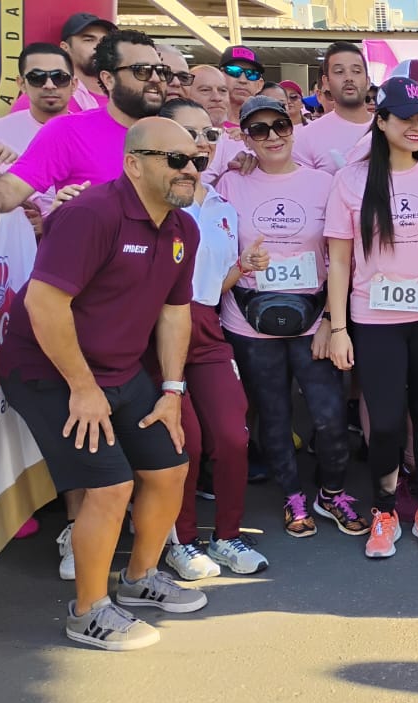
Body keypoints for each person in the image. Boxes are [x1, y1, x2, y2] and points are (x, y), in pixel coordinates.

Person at [0, 117, 210, 651]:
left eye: (197, 161)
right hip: (48, 371)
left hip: (120, 373)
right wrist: (82, 386)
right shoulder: (91, 214)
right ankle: (88, 611)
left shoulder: (185, 228)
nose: (190, 170)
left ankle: (139, 580)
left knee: (168, 470)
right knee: (110, 485)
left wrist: (171, 390)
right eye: (176, 160)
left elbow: (175, 312)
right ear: (134, 163)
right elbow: (45, 304)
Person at [326, 77, 418, 556]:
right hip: (374, 321)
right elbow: (339, 260)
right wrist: (337, 329)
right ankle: (385, 511)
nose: (416, 128)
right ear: (381, 120)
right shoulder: (350, 181)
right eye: (406, 119)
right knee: (387, 421)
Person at [217, 96, 366, 540]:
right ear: (246, 137)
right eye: (258, 130)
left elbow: (345, 256)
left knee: (329, 416)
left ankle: (331, 492)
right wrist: (228, 159)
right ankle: (292, 496)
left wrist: (330, 323)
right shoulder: (230, 183)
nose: (272, 137)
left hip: (312, 320)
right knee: (274, 414)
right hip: (248, 320)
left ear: (293, 127)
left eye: (279, 125)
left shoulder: (325, 183)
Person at [154, 98, 266, 579]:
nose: (200, 143)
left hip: (207, 327)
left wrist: (243, 268)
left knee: (231, 436)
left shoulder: (223, 204)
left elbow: (210, 283)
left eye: (208, 134)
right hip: (157, 331)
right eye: (189, 133)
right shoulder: (154, 202)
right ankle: (181, 541)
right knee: (188, 442)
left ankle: (227, 537)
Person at [0, 30, 170, 231]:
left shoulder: (177, 135)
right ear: (108, 79)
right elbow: (15, 185)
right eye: (142, 70)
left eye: (161, 71)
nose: (156, 78)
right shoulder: (68, 132)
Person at [0, 44, 76, 212]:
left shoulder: (88, 133)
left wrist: (47, 221)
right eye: (37, 77)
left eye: (59, 77)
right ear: (21, 84)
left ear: (73, 84)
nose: (49, 85)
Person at [9, 13, 115, 115]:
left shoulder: (122, 95)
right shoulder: (42, 96)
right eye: (88, 40)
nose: (98, 46)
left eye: (104, 41)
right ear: (65, 47)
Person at [292, 42, 372, 173]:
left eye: (356, 71)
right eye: (339, 72)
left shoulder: (389, 130)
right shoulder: (306, 137)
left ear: (368, 81)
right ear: (326, 82)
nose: (349, 78)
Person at [219, 45, 265, 128]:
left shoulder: (268, 130)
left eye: (252, 74)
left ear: (260, 85)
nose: (243, 80)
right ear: (220, 76)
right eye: (234, 71)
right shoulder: (203, 125)